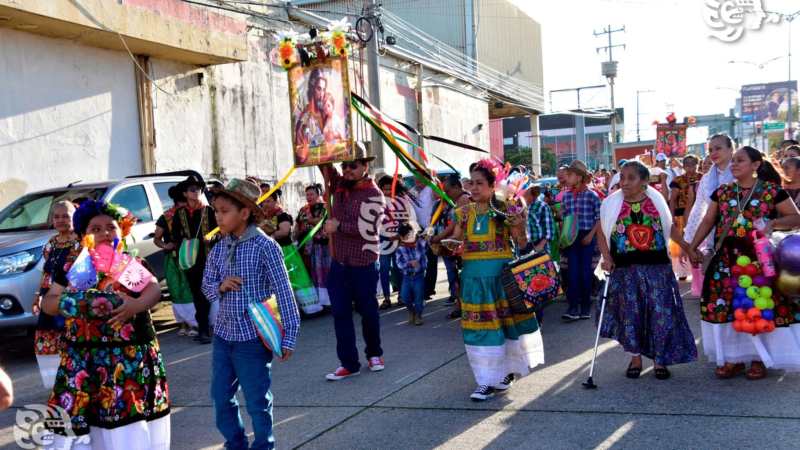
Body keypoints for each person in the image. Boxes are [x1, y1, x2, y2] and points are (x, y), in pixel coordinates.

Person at [41, 201, 169, 449]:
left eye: (110, 227)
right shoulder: (72, 269)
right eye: (95, 229)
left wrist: (137, 305)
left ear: (121, 230)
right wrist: (69, 299)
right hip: (82, 359)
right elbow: (49, 302)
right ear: (82, 236)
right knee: (81, 418)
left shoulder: (126, 264)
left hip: (126, 358)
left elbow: (153, 290)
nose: (104, 233)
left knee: (124, 419)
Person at [202, 179, 300, 450]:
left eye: (224, 211)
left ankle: (263, 446)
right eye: (216, 211)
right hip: (223, 336)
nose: (218, 217)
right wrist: (220, 286)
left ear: (244, 213)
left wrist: (289, 334)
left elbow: (283, 291)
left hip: (252, 339)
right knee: (220, 396)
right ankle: (235, 444)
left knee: (257, 400)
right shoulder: (219, 247)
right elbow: (206, 287)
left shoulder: (265, 246)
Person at [688, 147, 800, 379]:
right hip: (725, 258)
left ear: (756, 165)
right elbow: (709, 220)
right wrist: (692, 246)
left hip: (758, 259)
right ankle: (733, 359)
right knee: (724, 306)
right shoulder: (723, 191)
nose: (734, 164)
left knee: (757, 304)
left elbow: (795, 217)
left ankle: (759, 359)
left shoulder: (772, 191)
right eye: (734, 161)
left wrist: (772, 224)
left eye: (740, 160)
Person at [447, 159, 543, 401]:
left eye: (480, 183)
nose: (475, 187)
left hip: (500, 281)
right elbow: (456, 243)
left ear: (493, 186)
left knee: (505, 327)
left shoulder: (504, 210)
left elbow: (521, 244)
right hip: (472, 281)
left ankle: (504, 373)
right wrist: (446, 246)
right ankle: (485, 381)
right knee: (478, 329)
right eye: (471, 182)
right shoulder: (462, 213)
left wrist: (521, 229)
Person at [597, 161, 698, 380]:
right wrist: (606, 257)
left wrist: (687, 247)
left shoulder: (656, 202)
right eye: (622, 177)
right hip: (625, 271)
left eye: (631, 178)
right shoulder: (611, 204)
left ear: (645, 181)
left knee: (660, 314)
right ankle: (636, 359)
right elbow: (601, 234)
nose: (625, 182)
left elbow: (669, 228)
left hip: (657, 269)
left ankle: (660, 360)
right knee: (632, 316)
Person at [318, 143, 386, 380]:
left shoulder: (374, 194)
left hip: (364, 263)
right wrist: (319, 141)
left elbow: (371, 228)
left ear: (365, 166)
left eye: (353, 165)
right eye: (344, 164)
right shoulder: (338, 184)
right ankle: (348, 363)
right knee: (340, 315)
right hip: (338, 263)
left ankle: (374, 354)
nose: (347, 169)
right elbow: (323, 165)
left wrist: (339, 226)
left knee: (368, 312)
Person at [31, 201, 81, 389]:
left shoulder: (80, 242)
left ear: (74, 217)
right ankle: (57, 384)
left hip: (68, 300)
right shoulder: (51, 243)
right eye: (56, 216)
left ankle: (75, 381)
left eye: (66, 216)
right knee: (48, 343)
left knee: (69, 340)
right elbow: (46, 273)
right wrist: (38, 295)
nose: (61, 220)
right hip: (49, 300)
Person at [171, 176, 219, 344]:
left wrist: (211, 238)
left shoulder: (209, 211)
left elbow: (219, 231)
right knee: (195, 293)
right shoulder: (180, 213)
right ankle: (202, 327)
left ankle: (204, 329)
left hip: (206, 259)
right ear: (185, 193)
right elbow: (175, 233)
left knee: (203, 293)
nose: (196, 191)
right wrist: (182, 239)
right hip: (188, 260)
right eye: (192, 189)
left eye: (198, 188)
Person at [681, 134, 735, 268]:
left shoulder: (741, 173)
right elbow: (698, 212)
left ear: (731, 149)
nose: (714, 153)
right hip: (715, 240)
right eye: (710, 150)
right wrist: (688, 244)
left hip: (740, 236)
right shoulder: (706, 179)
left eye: (718, 148)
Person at [264, 189, 321, 315]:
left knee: (295, 277)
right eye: (264, 201)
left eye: (269, 201)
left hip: (285, 251)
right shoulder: (264, 216)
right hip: (272, 251)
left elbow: (284, 232)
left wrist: (264, 234)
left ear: (276, 201)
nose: (266, 204)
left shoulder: (282, 215)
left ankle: (307, 307)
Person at [561, 160, 602, 321]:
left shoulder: (592, 195)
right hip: (571, 237)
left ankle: (586, 307)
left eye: (570, 175)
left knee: (585, 273)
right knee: (572, 273)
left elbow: (599, 218)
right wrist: (563, 237)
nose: (567, 177)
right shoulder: (567, 196)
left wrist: (591, 235)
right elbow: (564, 217)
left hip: (586, 236)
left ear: (579, 177)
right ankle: (572, 308)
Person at [155, 186, 197, 337]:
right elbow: (157, 239)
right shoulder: (166, 217)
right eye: (184, 202)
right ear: (179, 202)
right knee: (175, 290)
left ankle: (194, 324)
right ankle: (182, 323)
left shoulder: (191, 215)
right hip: (172, 258)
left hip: (188, 257)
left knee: (189, 290)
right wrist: (166, 245)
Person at [427, 175, 471, 315]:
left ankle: (462, 307)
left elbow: (457, 224)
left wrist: (439, 237)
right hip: (458, 245)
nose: (445, 194)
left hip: (465, 246)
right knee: (458, 277)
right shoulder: (457, 200)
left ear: (457, 187)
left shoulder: (463, 199)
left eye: (447, 191)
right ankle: (459, 306)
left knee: (462, 278)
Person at [377, 176, 418, 309]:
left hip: (398, 238)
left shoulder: (403, 200)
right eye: (385, 189)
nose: (388, 191)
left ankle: (401, 295)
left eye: (390, 189)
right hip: (383, 239)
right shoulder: (378, 201)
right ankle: (386, 298)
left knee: (399, 267)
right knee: (384, 269)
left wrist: (398, 235)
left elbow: (407, 220)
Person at [296, 183, 331, 309]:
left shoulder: (325, 207)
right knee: (313, 272)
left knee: (326, 270)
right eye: (307, 195)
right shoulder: (304, 210)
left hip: (325, 245)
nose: (309, 197)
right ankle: (317, 300)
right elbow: (299, 224)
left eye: (311, 194)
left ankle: (329, 299)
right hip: (308, 246)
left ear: (319, 195)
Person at [668, 155, 702, 281]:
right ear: (683, 165)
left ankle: (699, 270)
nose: (690, 166)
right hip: (681, 214)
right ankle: (682, 272)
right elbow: (672, 200)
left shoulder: (703, 178)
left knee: (699, 239)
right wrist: (671, 217)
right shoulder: (678, 180)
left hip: (700, 214)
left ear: (697, 164)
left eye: (693, 163)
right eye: (687, 164)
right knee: (682, 241)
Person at [410, 169, 437, 300]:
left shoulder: (430, 189)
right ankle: (419, 290)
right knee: (418, 261)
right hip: (417, 230)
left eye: (421, 176)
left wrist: (432, 181)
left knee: (431, 261)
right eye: (415, 176)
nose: (417, 178)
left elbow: (440, 196)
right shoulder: (411, 192)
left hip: (430, 230)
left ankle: (429, 290)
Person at [395, 222, 429, 325]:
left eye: (412, 235)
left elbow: (427, 245)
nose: (411, 238)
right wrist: (409, 263)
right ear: (401, 237)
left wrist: (428, 238)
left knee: (419, 297)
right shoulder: (400, 247)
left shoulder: (420, 243)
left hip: (419, 275)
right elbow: (399, 263)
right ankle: (411, 310)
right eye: (407, 236)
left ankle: (418, 315)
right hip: (407, 277)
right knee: (404, 296)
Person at [295, 68, 328, 147]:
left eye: (324, 90)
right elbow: (300, 146)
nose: (322, 94)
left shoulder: (324, 114)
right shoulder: (304, 116)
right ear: (313, 89)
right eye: (319, 89)